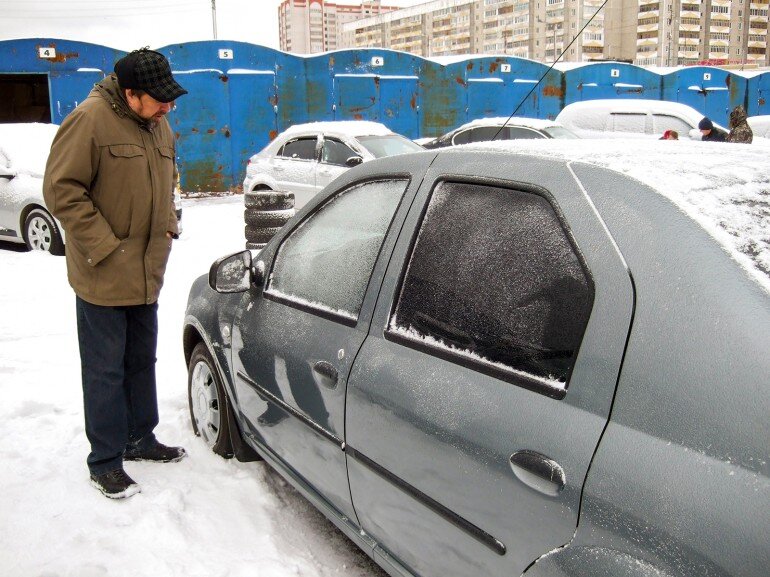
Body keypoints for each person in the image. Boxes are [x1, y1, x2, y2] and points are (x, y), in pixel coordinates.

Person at [43, 48, 188, 499]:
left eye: (170, 99)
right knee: (105, 370)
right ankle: (105, 459)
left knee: (141, 361)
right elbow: (61, 191)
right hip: (103, 273)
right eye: (159, 99)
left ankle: (139, 438)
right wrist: (105, 247)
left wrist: (168, 222)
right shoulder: (89, 120)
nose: (168, 107)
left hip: (147, 271)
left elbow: (167, 179)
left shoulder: (159, 125)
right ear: (130, 93)